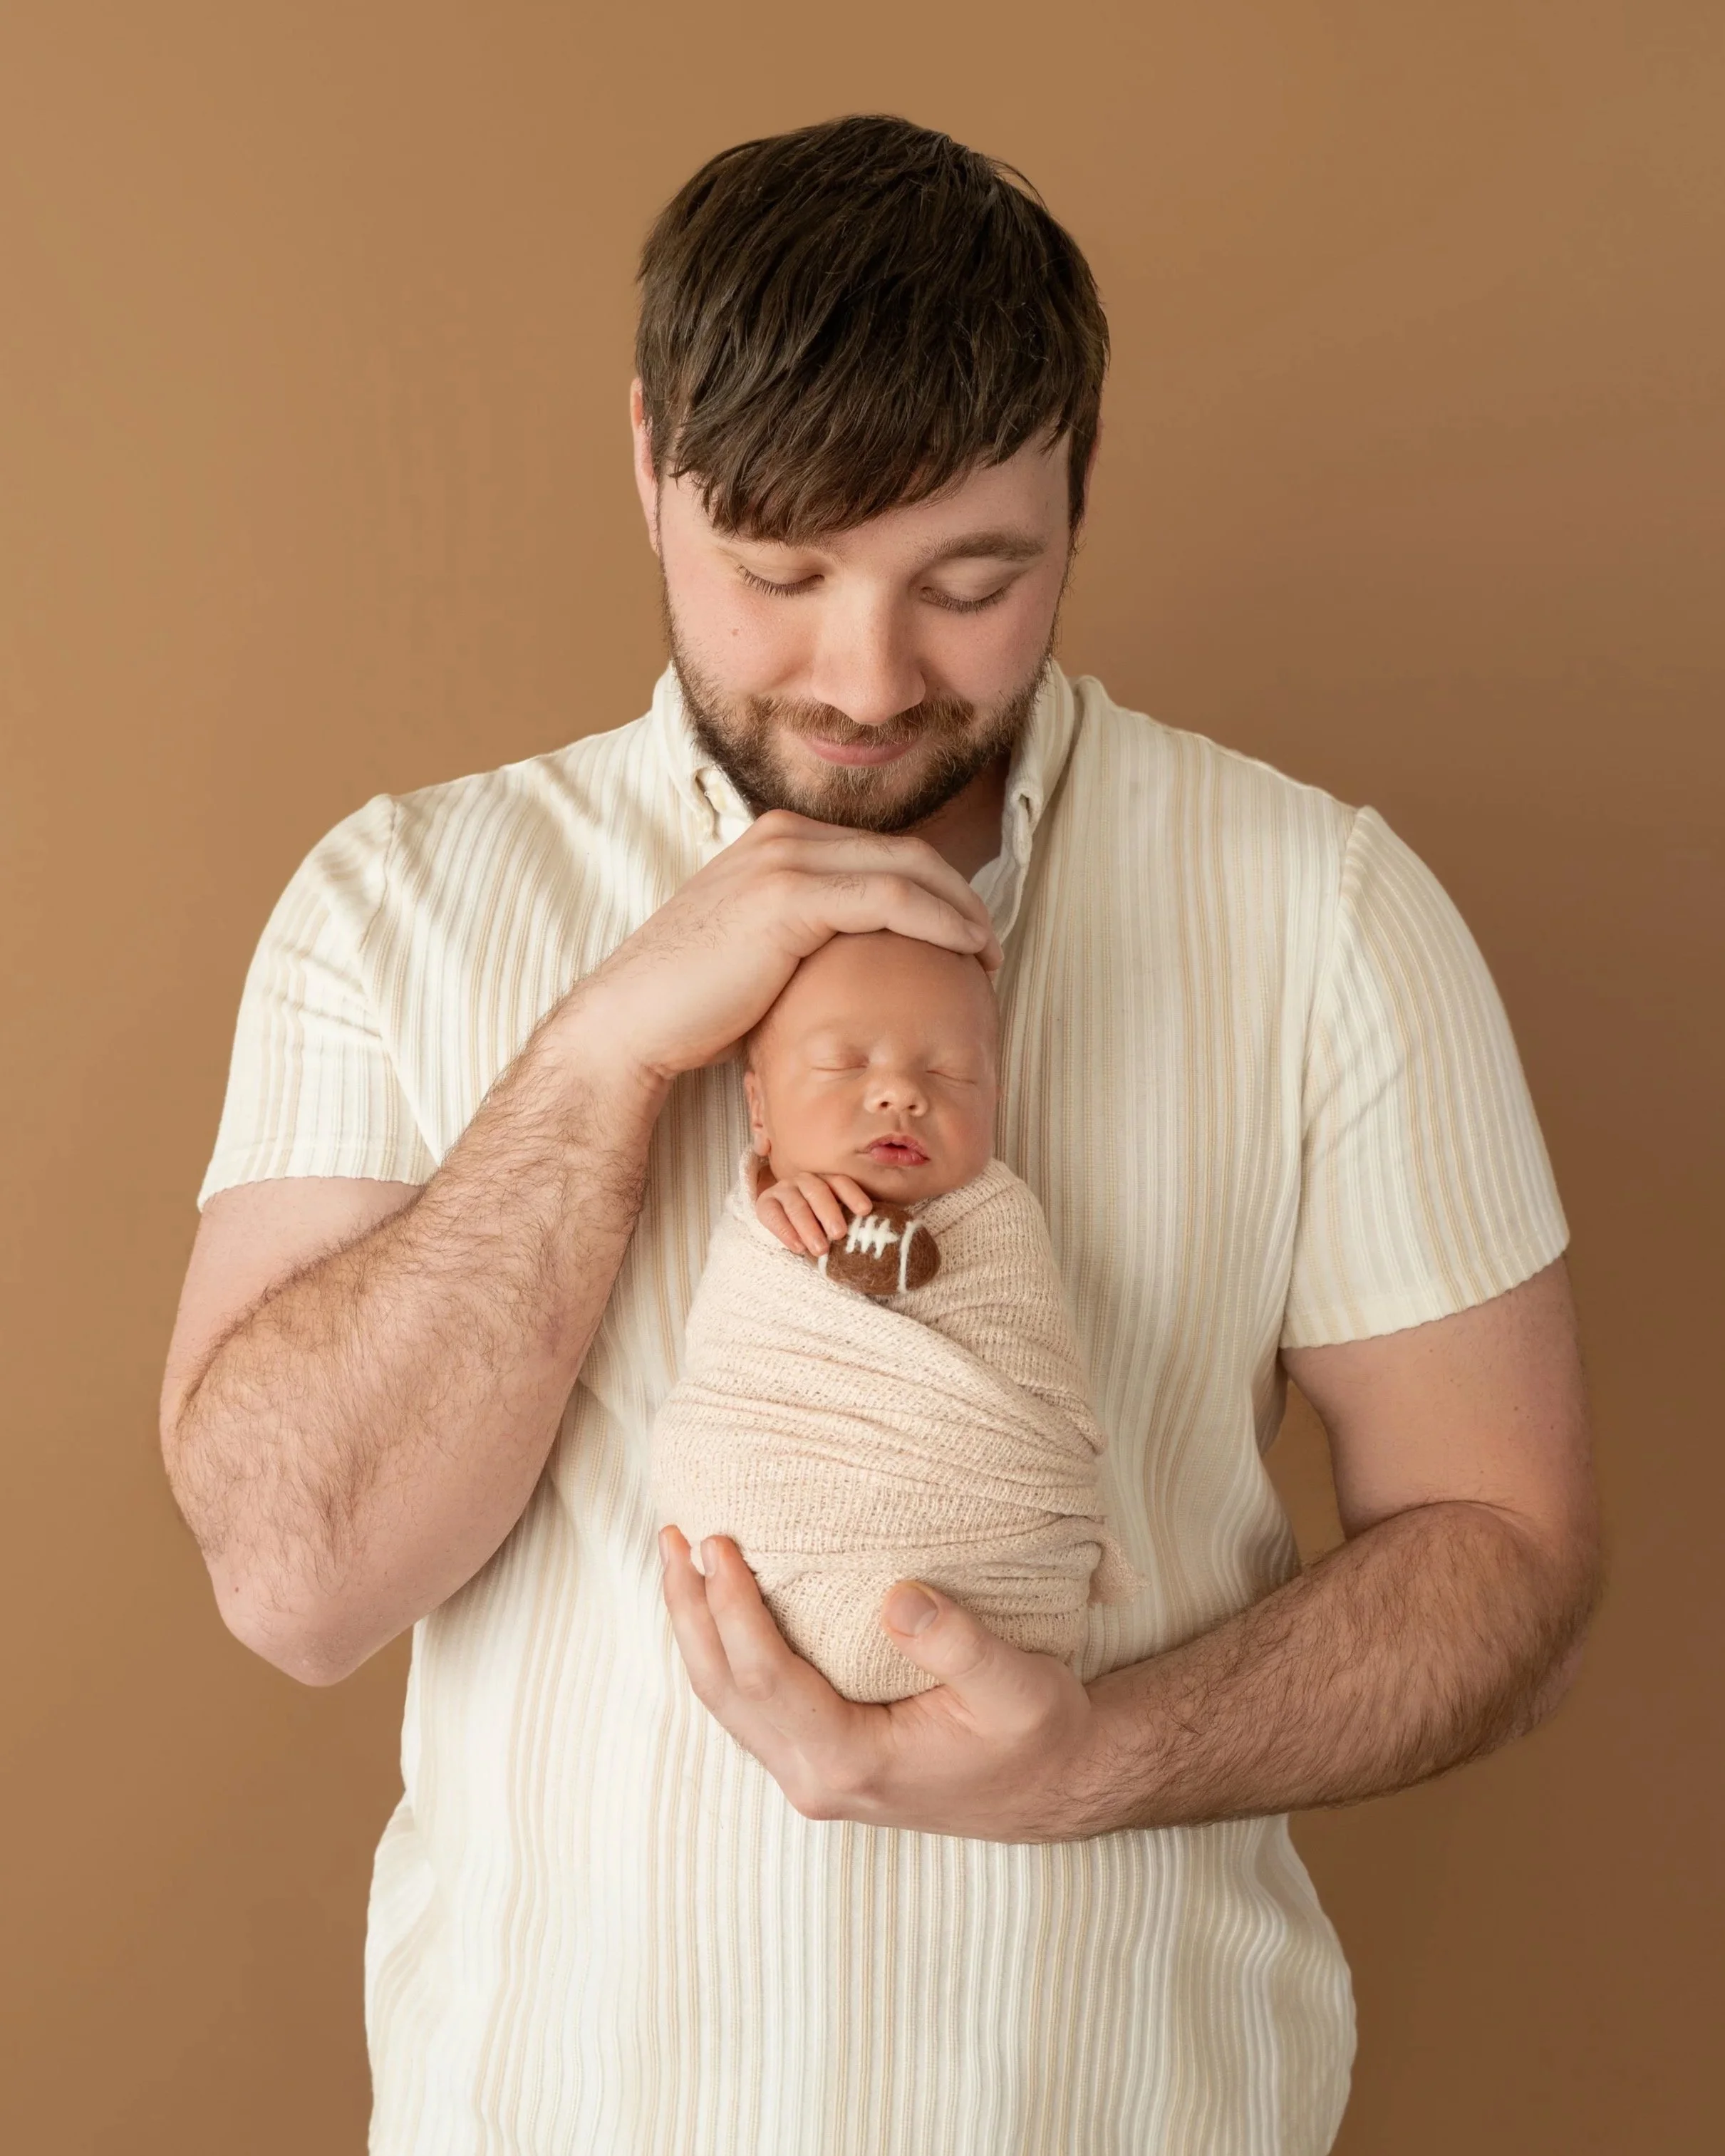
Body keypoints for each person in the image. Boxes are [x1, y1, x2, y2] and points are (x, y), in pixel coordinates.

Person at [159, 114, 1599, 2155]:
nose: (863, 677)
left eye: (969, 580)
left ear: (1077, 498)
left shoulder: (1319, 914)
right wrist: (594, 1063)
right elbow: (292, 1579)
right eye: (775, 572)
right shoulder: (399, 904)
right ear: (649, 459)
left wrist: (1085, 1760)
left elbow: (1511, 1560)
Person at [650, 928, 1145, 1705]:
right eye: (847, 1063)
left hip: (995, 1575)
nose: (903, 1094)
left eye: (951, 1073)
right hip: (777, 1561)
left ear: (996, 1101)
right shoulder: (764, 1222)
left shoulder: (998, 1219)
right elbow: (740, 1354)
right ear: (760, 1107)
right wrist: (784, 1214)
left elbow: (1035, 1365)